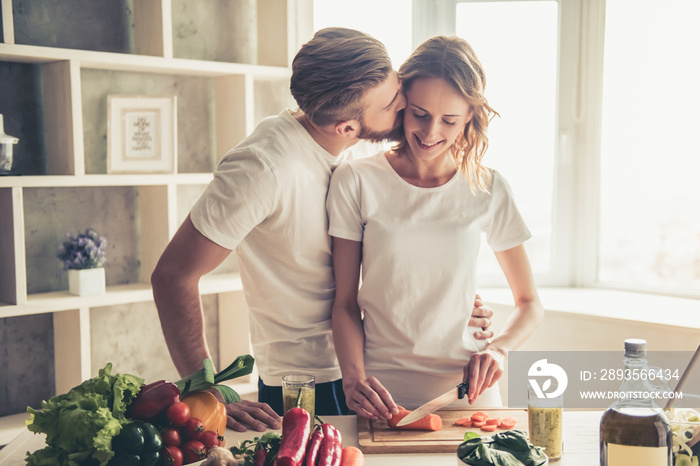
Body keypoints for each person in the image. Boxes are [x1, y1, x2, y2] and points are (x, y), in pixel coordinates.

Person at [151, 28, 494, 432]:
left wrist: (452, 302)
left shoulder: (358, 140)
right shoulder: (261, 169)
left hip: (373, 366)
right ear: (347, 126)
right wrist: (204, 389)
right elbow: (172, 276)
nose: (404, 105)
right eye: (391, 102)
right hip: (307, 380)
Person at [327, 35, 545, 420]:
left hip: (469, 395)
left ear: (469, 119)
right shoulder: (356, 179)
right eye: (420, 114)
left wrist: (498, 349)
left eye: (449, 120)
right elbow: (344, 303)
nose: (430, 133)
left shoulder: (488, 187)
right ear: (401, 106)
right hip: (381, 397)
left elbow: (529, 303)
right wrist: (353, 379)